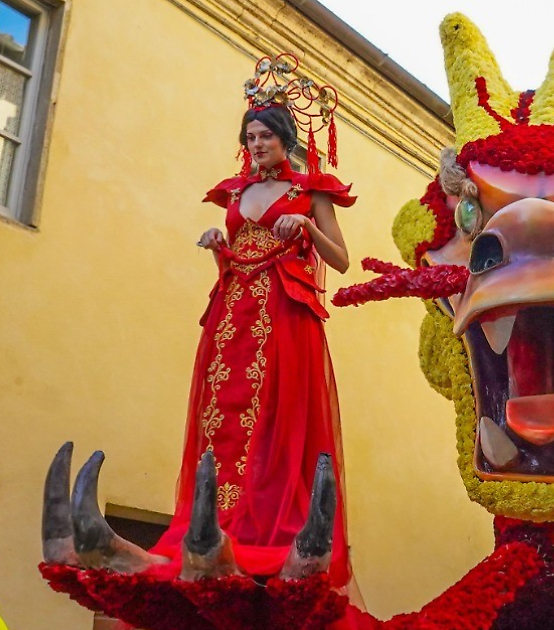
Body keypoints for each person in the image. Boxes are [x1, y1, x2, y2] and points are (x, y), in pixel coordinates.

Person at [148, 55, 356, 590]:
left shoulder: (310, 192)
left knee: (277, 416)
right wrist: (218, 244)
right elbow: (240, 256)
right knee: (224, 411)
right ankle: (219, 520)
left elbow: (340, 261)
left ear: (286, 140)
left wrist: (307, 228)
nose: (257, 144)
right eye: (251, 136)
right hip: (234, 312)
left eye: (266, 136)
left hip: (283, 312)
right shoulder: (235, 193)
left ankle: (269, 526)